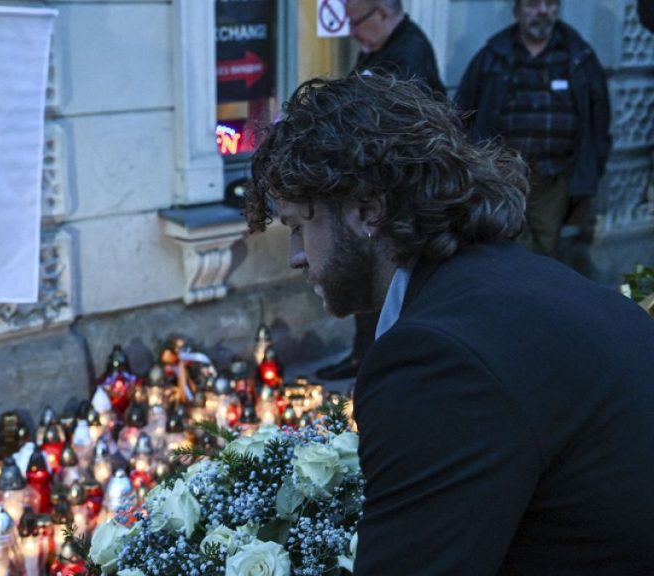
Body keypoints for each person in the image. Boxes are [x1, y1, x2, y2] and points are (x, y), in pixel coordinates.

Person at [246, 73, 654, 574]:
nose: (295, 258)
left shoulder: (436, 356)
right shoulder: (517, 281)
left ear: (367, 210)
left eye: (298, 226)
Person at [314, 0, 444, 381]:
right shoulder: (380, 48)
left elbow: (397, 123)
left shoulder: (409, 51)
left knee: (386, 281)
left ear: (383, 14)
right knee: (365, 275)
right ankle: (364, 357)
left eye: (356, 23)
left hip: (397, 190)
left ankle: (379, 364)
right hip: (372, 187)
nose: (351, 32)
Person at [455, 0, 611, 257]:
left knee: (543, 251)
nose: (542, 11)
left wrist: (591, 167)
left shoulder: (579, 56)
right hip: (501, 175)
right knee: (499, 245)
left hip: (553, 176)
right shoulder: (493, 56)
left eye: (550, 4)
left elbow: (599, 119)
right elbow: (463, 111)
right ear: (517, 11)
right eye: (532, 4)